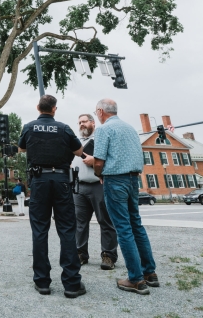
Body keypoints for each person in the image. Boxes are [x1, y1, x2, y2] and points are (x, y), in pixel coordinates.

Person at [18, 95, 86, 298]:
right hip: (62, 181)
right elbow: (79, 151)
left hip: (39, 181)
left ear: (38, 108)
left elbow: (22, 148)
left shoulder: (29, 127)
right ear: (54, 109)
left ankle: (42, 282)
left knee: (39, 230)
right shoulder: (64, 128)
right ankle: (72, 284)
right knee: (66, 230)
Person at [92, 99, 158, 295]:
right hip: (132, 180)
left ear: (101, 111)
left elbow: (98, 161)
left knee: (123, 228)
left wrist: (99, 174)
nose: (97, 114)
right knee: (136, 225)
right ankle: (150, 273)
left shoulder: (104, 130)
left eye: (96, 112)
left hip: (114, 180)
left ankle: (135, 279)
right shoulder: (130, 129)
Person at [72, 113, 118, 271]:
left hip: (99, 186)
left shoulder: (101, 139)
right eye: (79, 122)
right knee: (79, 224)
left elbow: (114, 160)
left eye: (84, 121)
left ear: (92, 123)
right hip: (79, 188)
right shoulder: (76, 143)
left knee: (105, 222)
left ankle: (108, 255)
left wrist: (95, 161)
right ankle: (80, 253)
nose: (81, 124)